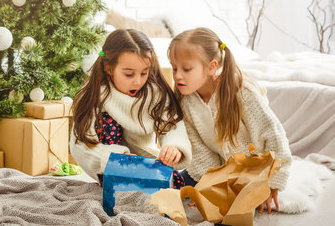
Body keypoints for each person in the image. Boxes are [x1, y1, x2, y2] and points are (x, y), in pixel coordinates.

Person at [167, 27, 292, 214]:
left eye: (186, 69)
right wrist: (210, 187)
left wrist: (272, 183)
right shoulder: (186, 101)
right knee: (174, 184)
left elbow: (274, 135)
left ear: (211, 67)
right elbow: (199, 149)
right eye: (174, 68)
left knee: (247, 200)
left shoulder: (242, 92)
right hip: (224, 169)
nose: (177, 75)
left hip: (256, 169)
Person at [70, 29, 191, 185]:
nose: (138, 82)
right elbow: (80, 145)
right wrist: (113, 157)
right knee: (105, 120)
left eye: (144, 73)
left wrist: (174, 146)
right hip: (112, 165)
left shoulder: (155, 93)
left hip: (145, 163)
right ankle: (114, 182)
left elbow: (171, 124)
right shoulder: (93, 94)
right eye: (129, 74)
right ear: (108, 68)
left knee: (173, 185)